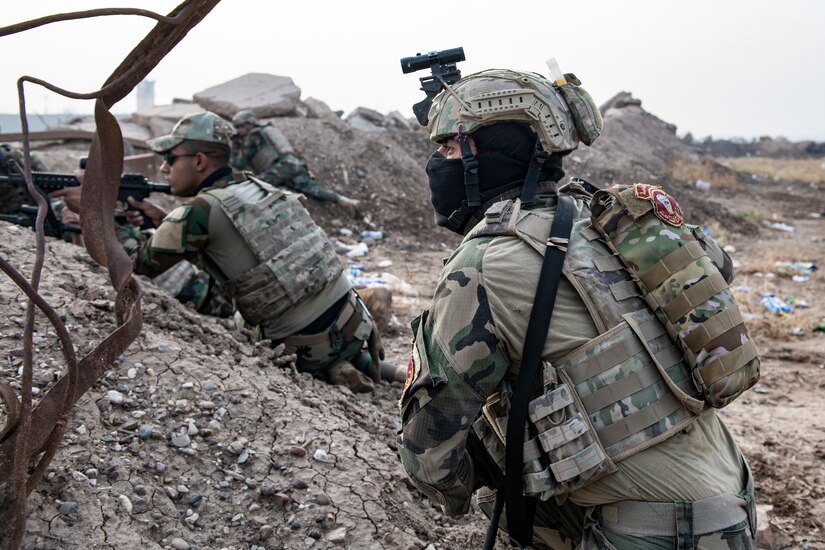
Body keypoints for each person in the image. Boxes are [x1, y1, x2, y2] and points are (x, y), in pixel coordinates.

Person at [397, 68, 758, 549]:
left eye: (448, 149)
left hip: (653, 535)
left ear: (489, 157)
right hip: (733, 505)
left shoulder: (483, 262)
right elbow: (719, 268)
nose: (436, 163)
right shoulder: (609, 220)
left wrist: (480, 477)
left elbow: (428, 454)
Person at [97, 111, 400, 392]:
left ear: (199, 161)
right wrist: (161, 221)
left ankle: (330, 365)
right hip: (354, 322)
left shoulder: (198, 210)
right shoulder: (258, 187)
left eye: (170, 158)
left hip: (305, 347)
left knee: (236, 320)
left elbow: (137, 262)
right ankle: (367, 365)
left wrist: (110, 215)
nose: (163, 168)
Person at [230, 110, 361, 216]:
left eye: (240, 127)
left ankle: (289, 205)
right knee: (314, 190)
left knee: (257, 185)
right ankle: (348, 202)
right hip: (294, 164)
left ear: (248, 124)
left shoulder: (252, 137)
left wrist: (235, 150)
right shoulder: (266, 131)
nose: (239, 130)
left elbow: (240, 163)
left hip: (280, 168)